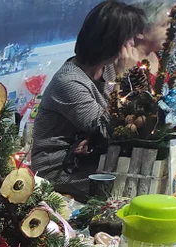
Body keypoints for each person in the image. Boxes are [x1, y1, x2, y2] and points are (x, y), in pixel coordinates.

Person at [31, 0, 145, 199]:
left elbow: (140, 114)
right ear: (111, 41)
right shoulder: (69, 81)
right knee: (134, 188)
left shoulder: (107, 67)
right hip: (63, 172)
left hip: (94, 159)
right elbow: (113, 131)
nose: (133, 45)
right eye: (129, 39)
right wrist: (122, 76)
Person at [130, 0, 173, 77]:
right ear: (140, 32)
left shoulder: (163, 56)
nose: (171, 29)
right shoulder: (125, 62)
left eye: (170, 24)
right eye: (165, 25)